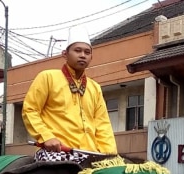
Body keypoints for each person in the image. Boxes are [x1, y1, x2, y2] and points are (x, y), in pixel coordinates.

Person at [22, 24, 117, 162]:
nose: (82, 55)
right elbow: (30, 110)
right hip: (57, 151)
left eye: (87, 52)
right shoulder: (47, 77)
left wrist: (110, 155)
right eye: (77, 50)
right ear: (65, 54)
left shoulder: (95, 87)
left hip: (89, 153)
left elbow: (103, 124)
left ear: (91, 57)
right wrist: (46, 136)